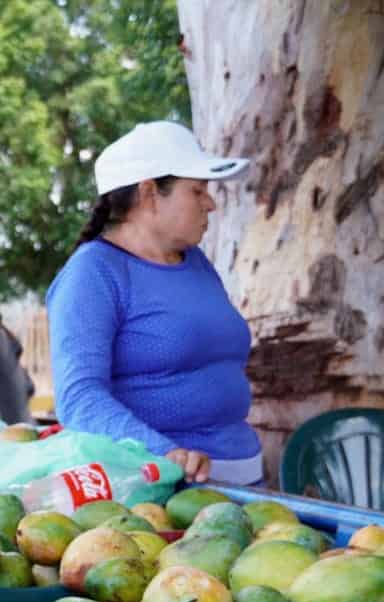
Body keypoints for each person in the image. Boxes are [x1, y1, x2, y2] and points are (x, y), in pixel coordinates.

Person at [46, 120, 263, 486]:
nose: (210, 203)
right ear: (149, 194)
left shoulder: (195, 263)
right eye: (197, 191)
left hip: (246, 484)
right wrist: (163, 453)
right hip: (166, 493)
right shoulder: (92, 273)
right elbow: (79, 399)